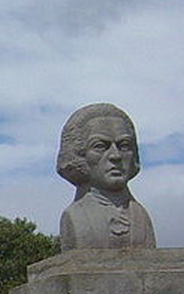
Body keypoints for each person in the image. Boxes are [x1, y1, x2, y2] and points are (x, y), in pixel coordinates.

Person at [56, 103, 156, 250]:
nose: (115, 156)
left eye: (124, 146)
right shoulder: (75, 216)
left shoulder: (141, 216)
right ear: (80, 155)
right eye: (100, 146)